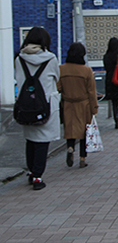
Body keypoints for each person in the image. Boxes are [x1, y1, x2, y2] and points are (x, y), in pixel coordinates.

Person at [14, 27, 60, 190]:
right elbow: (56, 76)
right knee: (42, 141)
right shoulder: (51, 59)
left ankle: (32, 172)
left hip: (26, 105)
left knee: (30, 140)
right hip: (44, 105)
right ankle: (38, 177)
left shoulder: (19, 59)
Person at [58, 42, 98, 168]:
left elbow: (58, 87)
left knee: (70, 129)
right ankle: (82, 158)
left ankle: (70, 148)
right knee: (84, 132)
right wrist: (94, 108)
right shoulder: (86, 70)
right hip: (83, 104)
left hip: (68, 103)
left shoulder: (61, 69)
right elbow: (91, 91)